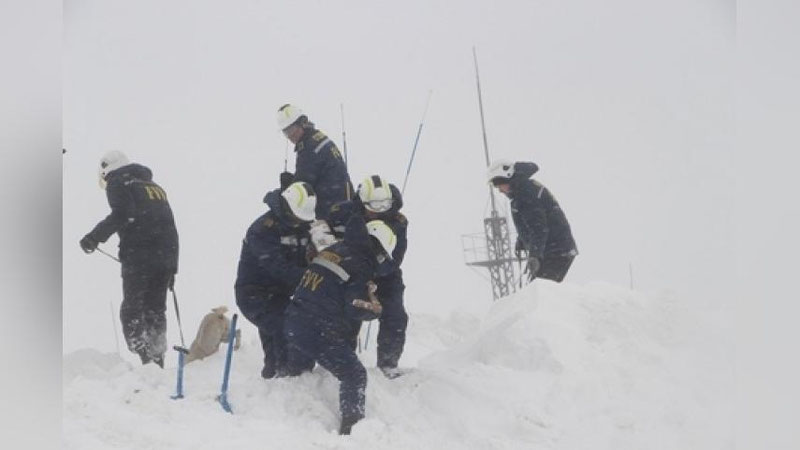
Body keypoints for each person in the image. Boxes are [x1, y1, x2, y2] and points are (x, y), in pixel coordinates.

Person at [283, 209, 396, 435]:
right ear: (377, 248)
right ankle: (352, 429)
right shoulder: (362, 263)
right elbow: (353, 306)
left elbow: (333, 286)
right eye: (382, 256)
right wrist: (374, 310)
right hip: (316, 329)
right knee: (354, 374)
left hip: (294, 321)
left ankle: (284, 411)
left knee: (299, 377)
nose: (380, 262)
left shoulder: (337, 249)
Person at [79, 150, 179, 367]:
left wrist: (93, 238)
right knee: (156, 310)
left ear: (107, 170)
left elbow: (124, 215)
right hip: (164, 258)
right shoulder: (155, 188)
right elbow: (171, 227)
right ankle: (157, 357)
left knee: (132, 309)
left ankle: (144, 357)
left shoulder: (118, 183)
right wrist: (172, 267)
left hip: (139, 257)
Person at [235, 182, 317, 378]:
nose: (299, 223)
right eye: (296, 218)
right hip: (255, 295)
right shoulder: (262, 231)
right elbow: (279, 268)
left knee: (284, 336)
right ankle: (287, 376)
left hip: (282, 295)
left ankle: (277, 377)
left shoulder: (303, 226)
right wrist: (314, 278)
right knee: (286, 328)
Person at [487, 159, 578, 283]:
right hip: (554, 249)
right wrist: (522, 240)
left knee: (542, 293)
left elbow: (538, 227)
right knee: (538, 291)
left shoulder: (526, 194)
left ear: (507, 178)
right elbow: (531, 222)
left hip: (555, 251)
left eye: (499, 184)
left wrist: (535, 255)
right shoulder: (523, 191)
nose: (500, 190)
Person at [356, 175, 409, 378]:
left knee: (395, 316)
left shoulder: (398, 222)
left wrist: (376, 274)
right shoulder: (350, 214)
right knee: (346, 316)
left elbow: (396, 256)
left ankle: (388, 363)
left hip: (387, 275)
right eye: (371, 208)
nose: (376, 213)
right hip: (355, 274)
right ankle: (342, 362)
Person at [273, 104, 353, 220]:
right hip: (343, 201)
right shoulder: (317, 137)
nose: (290, 136)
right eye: (286, 132)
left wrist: (287, 188)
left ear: (302, 123)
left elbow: (303, 183)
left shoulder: (308, 148)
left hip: (330, 207)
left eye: (291, 130)